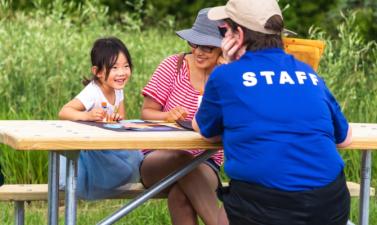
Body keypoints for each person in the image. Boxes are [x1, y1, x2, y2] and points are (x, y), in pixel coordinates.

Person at [193, 0, 353, 224]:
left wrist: (229, 66)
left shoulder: (226, 76)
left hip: (267, 205)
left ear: (237, 35)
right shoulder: (307, 72)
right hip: (330, 204)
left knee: (225, 212)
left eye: (224, 30)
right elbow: (344, 138)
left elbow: (204, 131)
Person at [140, 8, 225, 225]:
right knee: (182, 158)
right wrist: (167, 115)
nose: (198, 52)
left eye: (207, 46)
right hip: (159, 158)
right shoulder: (173, 66)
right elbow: (146, 112)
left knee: (180, 196)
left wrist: (226, 77)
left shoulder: (229, 76)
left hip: (206, 161)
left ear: (224, 47)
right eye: (194, 44)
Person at [58, 37, 143, 200]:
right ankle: (94, 184)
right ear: (97, 72)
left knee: (131, 166)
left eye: (126, 66)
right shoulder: (93, 92)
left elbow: (121, 117)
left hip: (107, 145)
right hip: (89, 151)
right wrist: (87, 115)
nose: (122, 73)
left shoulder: (118, 89)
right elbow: (64, 111)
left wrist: (115, 117)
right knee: (124, 169)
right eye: (115, 68)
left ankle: (102, 184)